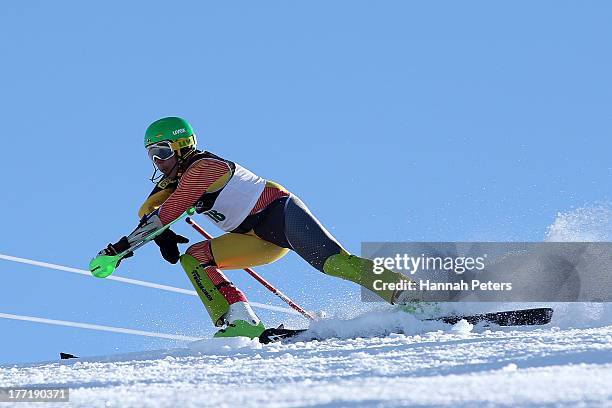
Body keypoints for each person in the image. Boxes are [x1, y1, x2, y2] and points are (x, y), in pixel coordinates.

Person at [98, 117, 410, 339]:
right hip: (252, 238)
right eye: (152, 156)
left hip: (280, 214)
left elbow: (169, 211)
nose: (158, 162)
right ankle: (240, 321)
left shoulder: (202, 169)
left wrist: (118, 251)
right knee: (194, 258)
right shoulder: (174, 181)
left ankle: (409, 293)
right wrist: (157, 228)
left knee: (333, 263)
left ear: (181, 147)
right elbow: (149, 209)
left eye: (163, 153)